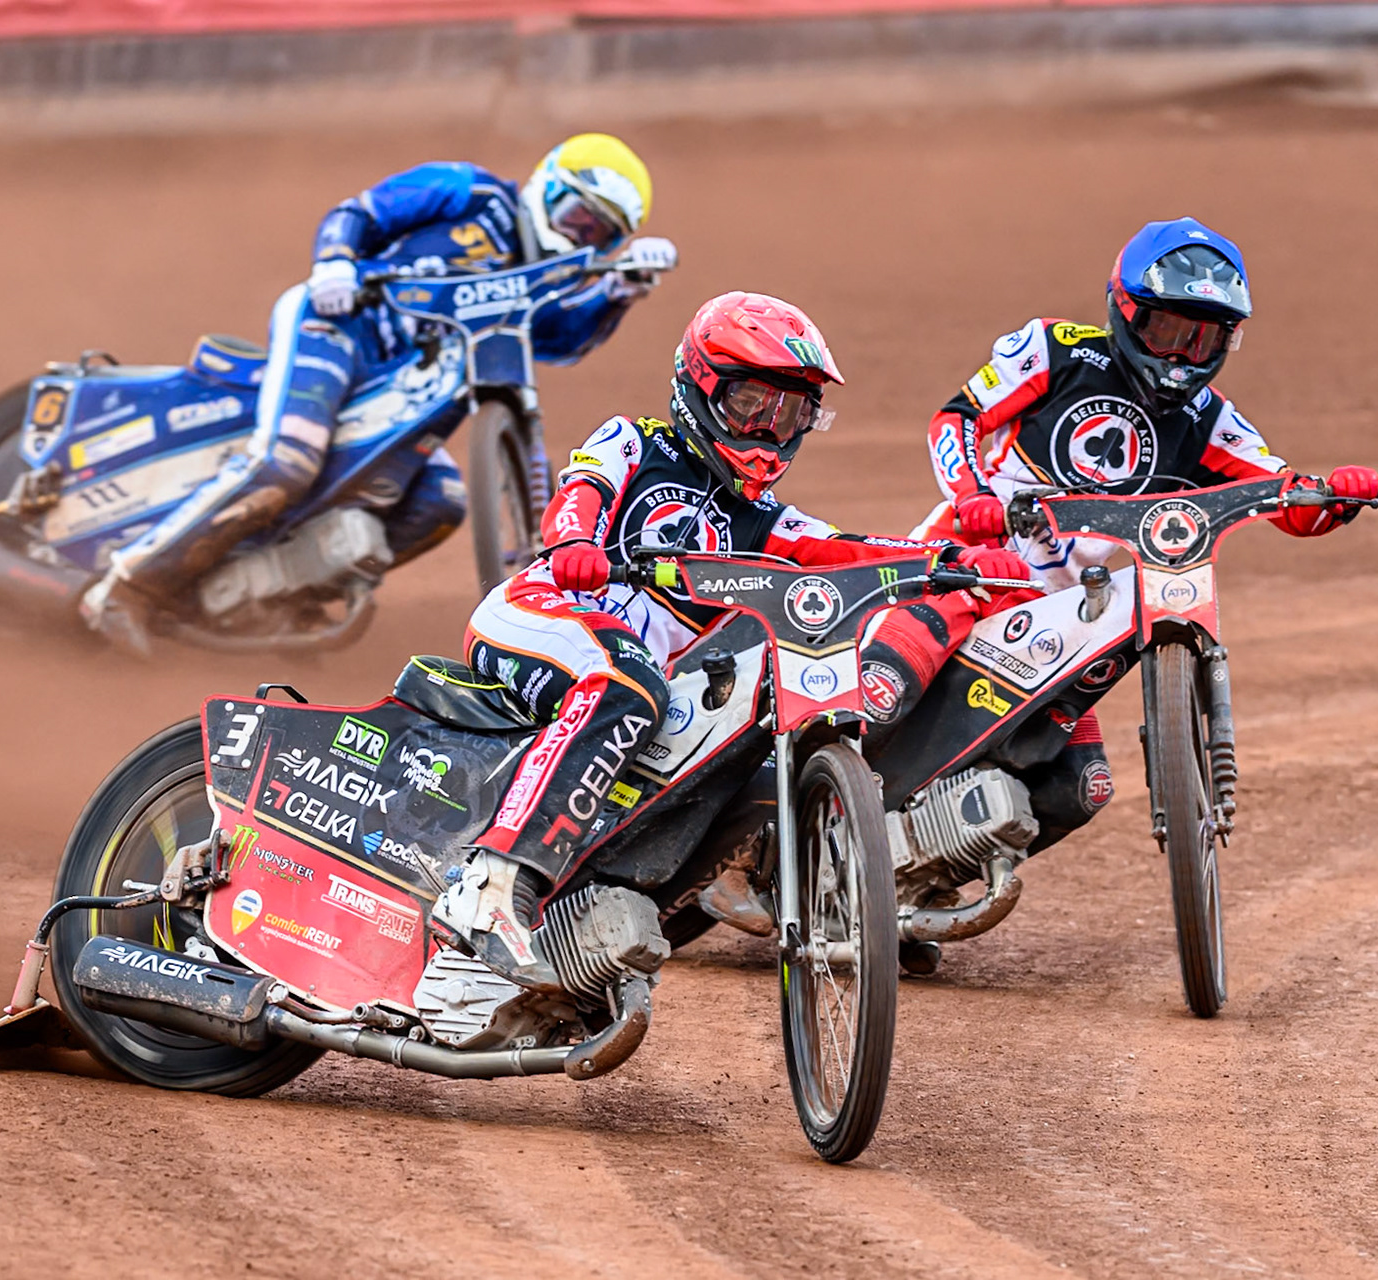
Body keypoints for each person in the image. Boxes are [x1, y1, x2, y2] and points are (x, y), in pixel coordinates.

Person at [430, 291, 1030, 991]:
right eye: (753, 406)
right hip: (540, 610)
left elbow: (843, 550)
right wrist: (573, 543)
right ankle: (493, 887)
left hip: (626, 672)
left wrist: (949, 565)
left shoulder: (765, 516)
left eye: (791, 414)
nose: (768, 431)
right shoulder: (637, 441)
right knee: (628, 684)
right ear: (701, 385)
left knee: (720, 705)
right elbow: (581, 492)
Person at [81, 133, 679, 655]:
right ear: (548, 186)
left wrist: (616, 290)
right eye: (579, 216)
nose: (581, 236)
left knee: (441, 499)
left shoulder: (543, 280)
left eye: (599, 236)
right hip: (338, 328)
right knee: (286, 462)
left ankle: (278, 595)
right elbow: (359, 213)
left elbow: (555, 339)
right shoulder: (470, 193)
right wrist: (336, 263)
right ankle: (124, 588)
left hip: (402, 386)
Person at [908, 216, 1378, 856]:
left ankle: (912, 889)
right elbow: (957, 417)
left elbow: (1285, 497)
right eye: (1166, 331)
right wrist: (972, 497)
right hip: (973, 572)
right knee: (886, 696)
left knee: (1082, 788)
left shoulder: (1210, 420)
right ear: (1127, 313)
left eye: (1202, 338)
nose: (1179, 355)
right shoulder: (1054, 349)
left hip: (1069, 635)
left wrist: (1335, 495)